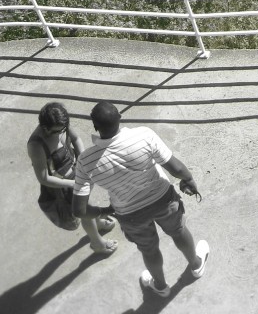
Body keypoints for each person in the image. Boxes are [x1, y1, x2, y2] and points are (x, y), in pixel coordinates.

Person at [73, 100, 209, 298]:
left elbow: (78, 210)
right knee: (179, 232)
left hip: (129, 215)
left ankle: (161, 286)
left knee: (150, 250)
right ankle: (196, 266)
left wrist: (105, 211)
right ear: (119, 118)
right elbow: (176, 168)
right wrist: (188, 179)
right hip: (163, 199)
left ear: (95, 126)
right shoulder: (143, 135)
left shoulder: (85, 161)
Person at [27, 101, 117, 255]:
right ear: (44, 127)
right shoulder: (36, 145)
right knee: (85, 212)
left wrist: (83, 160)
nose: (60, 133)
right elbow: (43, 178)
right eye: (56, 132)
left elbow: (76, 139)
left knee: (88, 202)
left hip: (77, 174)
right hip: (62, 186)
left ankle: (99, 223)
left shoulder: (62, 125)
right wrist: (73, 184)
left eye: (62, 129)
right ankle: (97, 243)